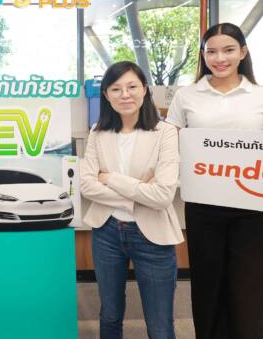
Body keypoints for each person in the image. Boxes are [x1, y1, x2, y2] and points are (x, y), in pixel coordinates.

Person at [166, 22, 263, 339]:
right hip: (204, 204)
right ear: (203, 55)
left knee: (251, 289)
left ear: (243, 52)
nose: (220, 58)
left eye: (228, 50)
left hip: (256, 206)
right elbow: (169, 144)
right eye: (211, 52)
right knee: (208, 285)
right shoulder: (187, 96)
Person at [81, 61, 182, 339]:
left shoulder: (165, 132)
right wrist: (137, 193)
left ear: (145, 89)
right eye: (116, 89)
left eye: (132, 87)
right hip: (107, 231)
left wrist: (110, 178)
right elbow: (86, 185)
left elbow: (162, 195)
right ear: (106, 95)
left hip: (153, 235)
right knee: (110, 316)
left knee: (160, 325)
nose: (124, 94)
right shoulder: (98, 132)